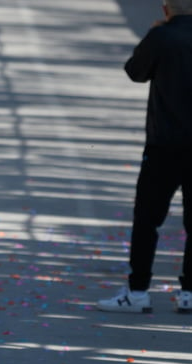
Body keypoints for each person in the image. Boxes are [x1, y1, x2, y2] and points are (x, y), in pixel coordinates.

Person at [97, 0, 192, 313]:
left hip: (164, 144)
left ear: (166, 9)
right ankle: (189, 292)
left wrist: (152, 35)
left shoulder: (162, 37)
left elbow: (135, 71)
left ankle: (138, 291)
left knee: (147, 219)